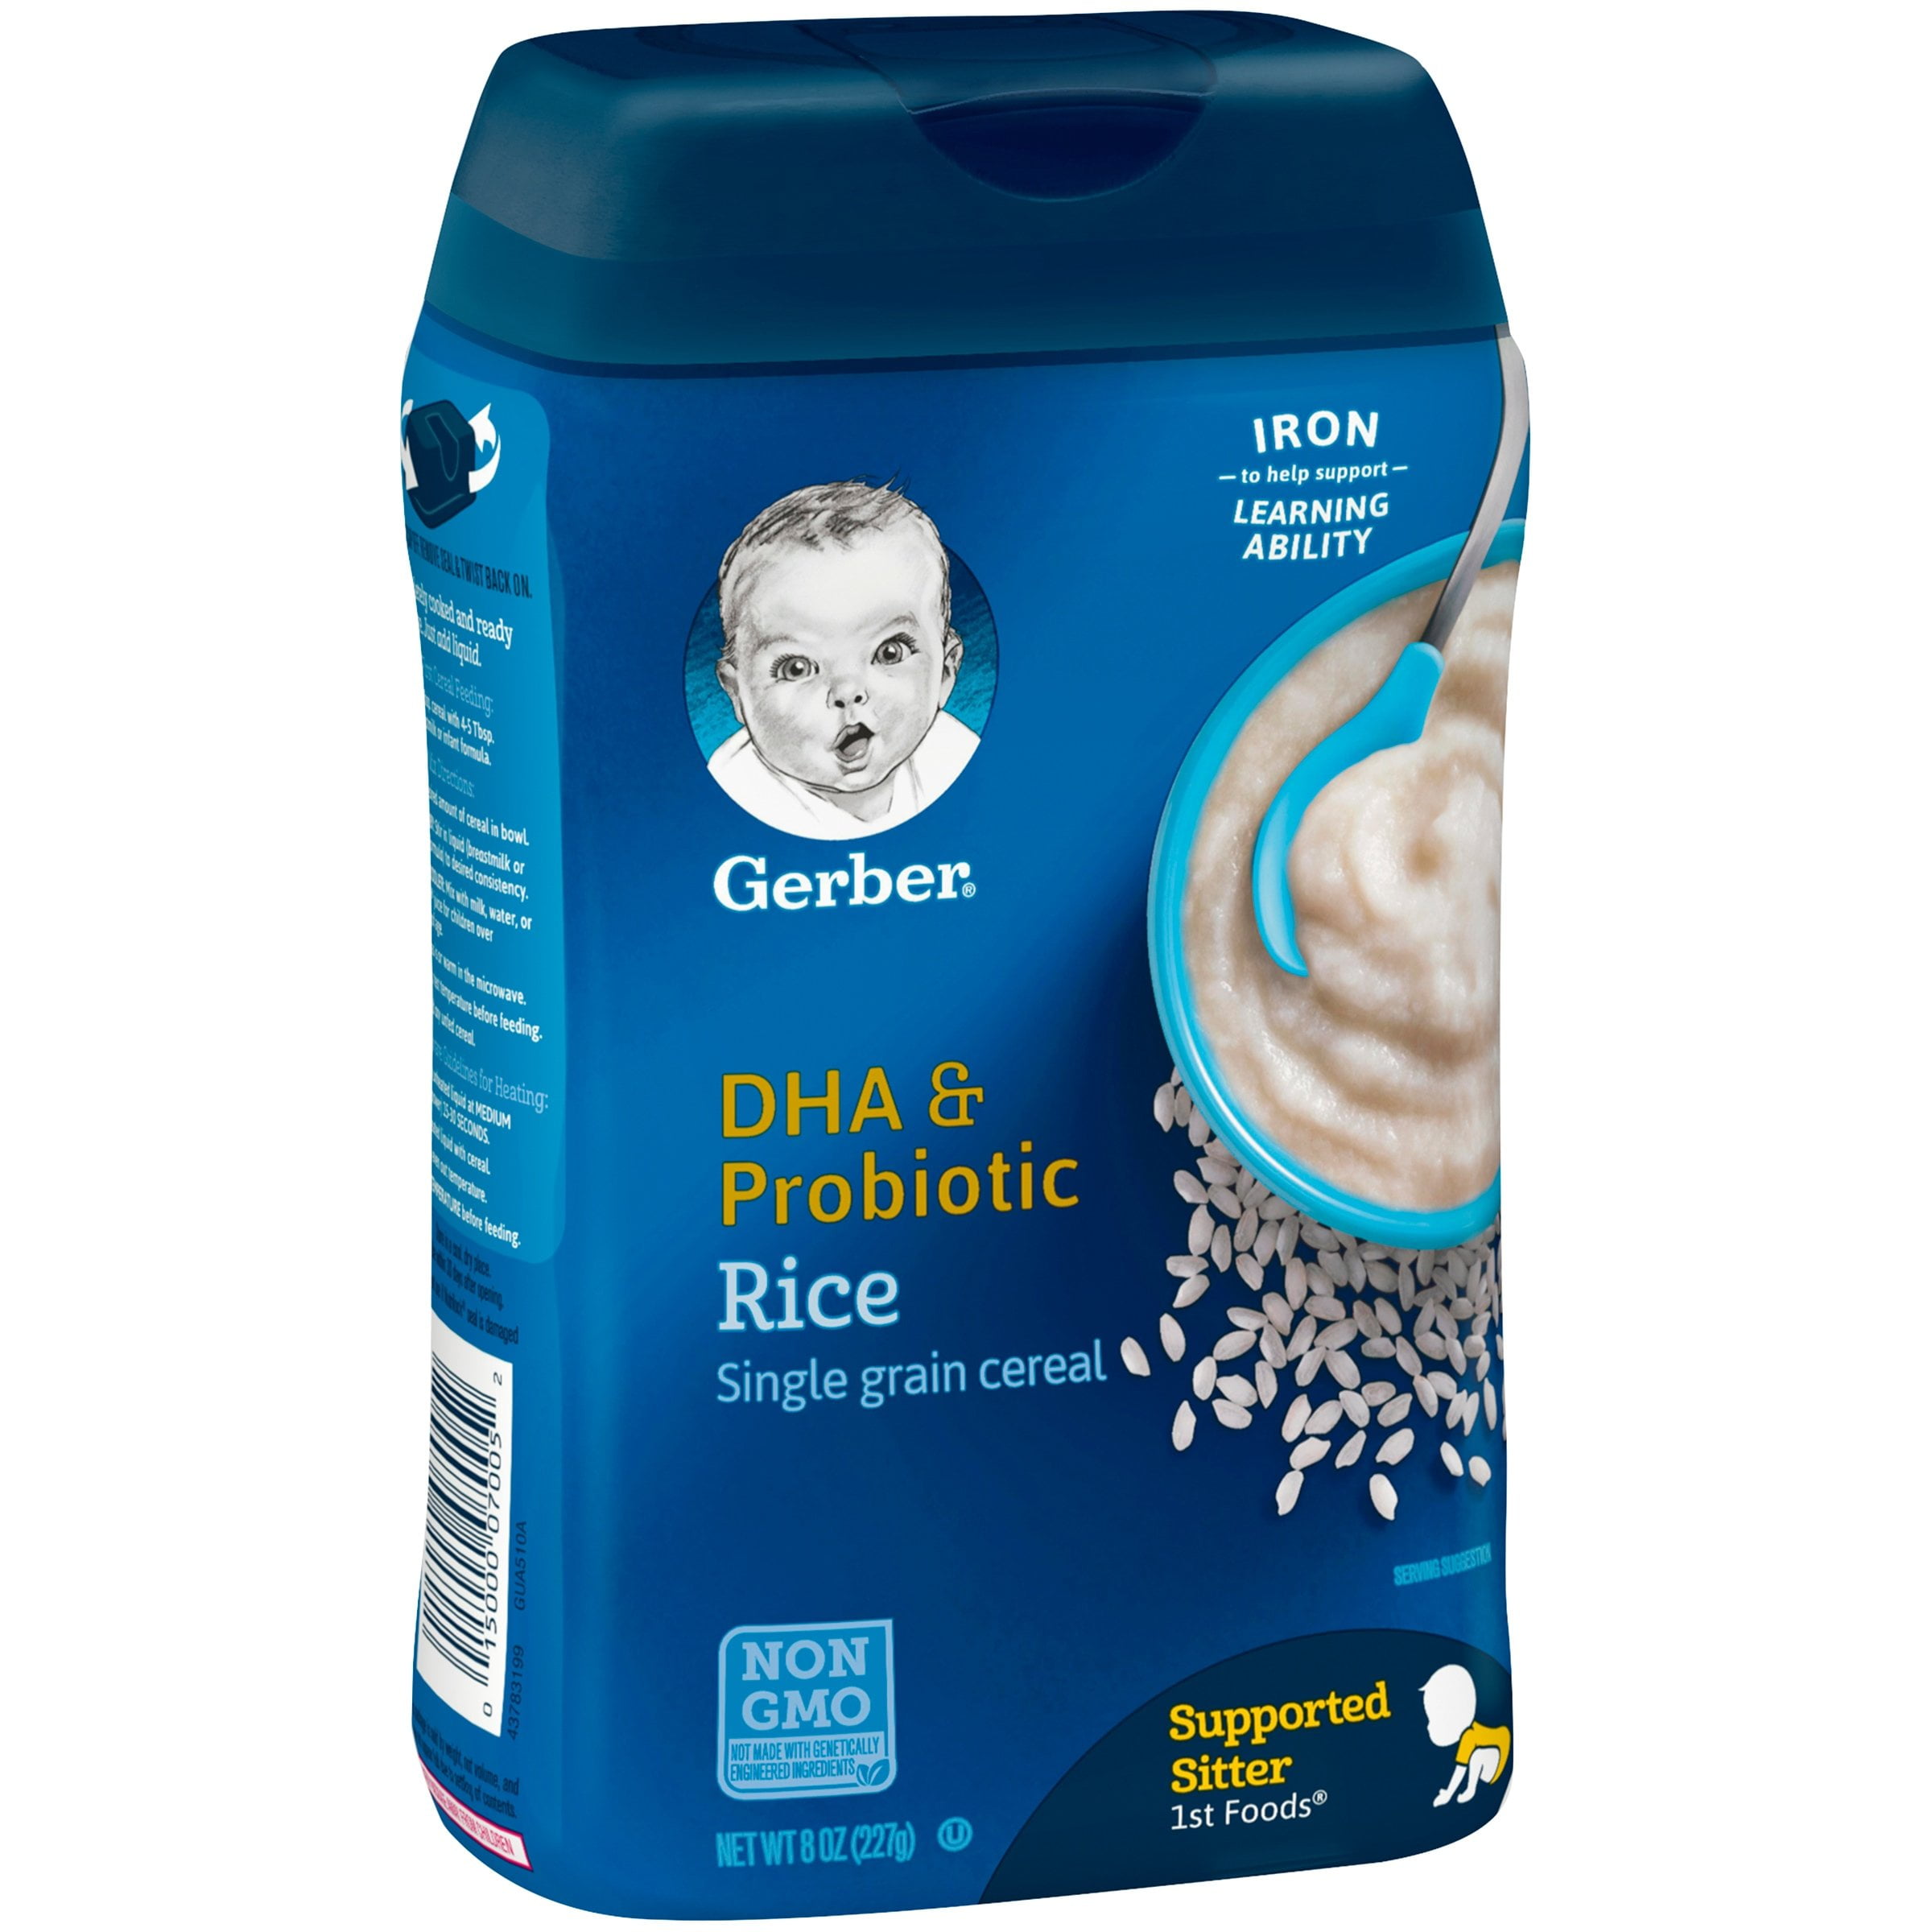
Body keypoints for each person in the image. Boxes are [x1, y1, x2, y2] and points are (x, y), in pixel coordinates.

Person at [707, 481, 981, 838]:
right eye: (797, 668)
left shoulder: (956, 756)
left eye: (889, 653)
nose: (848, 691)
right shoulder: (735, 796)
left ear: (945, 672)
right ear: (737, 693)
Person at [1419, 1663, 1510, 1805]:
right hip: (1500, 1749)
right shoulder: (1470, 1732)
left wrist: (1448, 1795)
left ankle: (1470, 1790)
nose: (1429, 1725)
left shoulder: (1469, 1736)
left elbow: (1460, 1770)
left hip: (1499, 1760)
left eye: (1434, 1718)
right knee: (1477, 1756)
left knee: (1477, 1756)